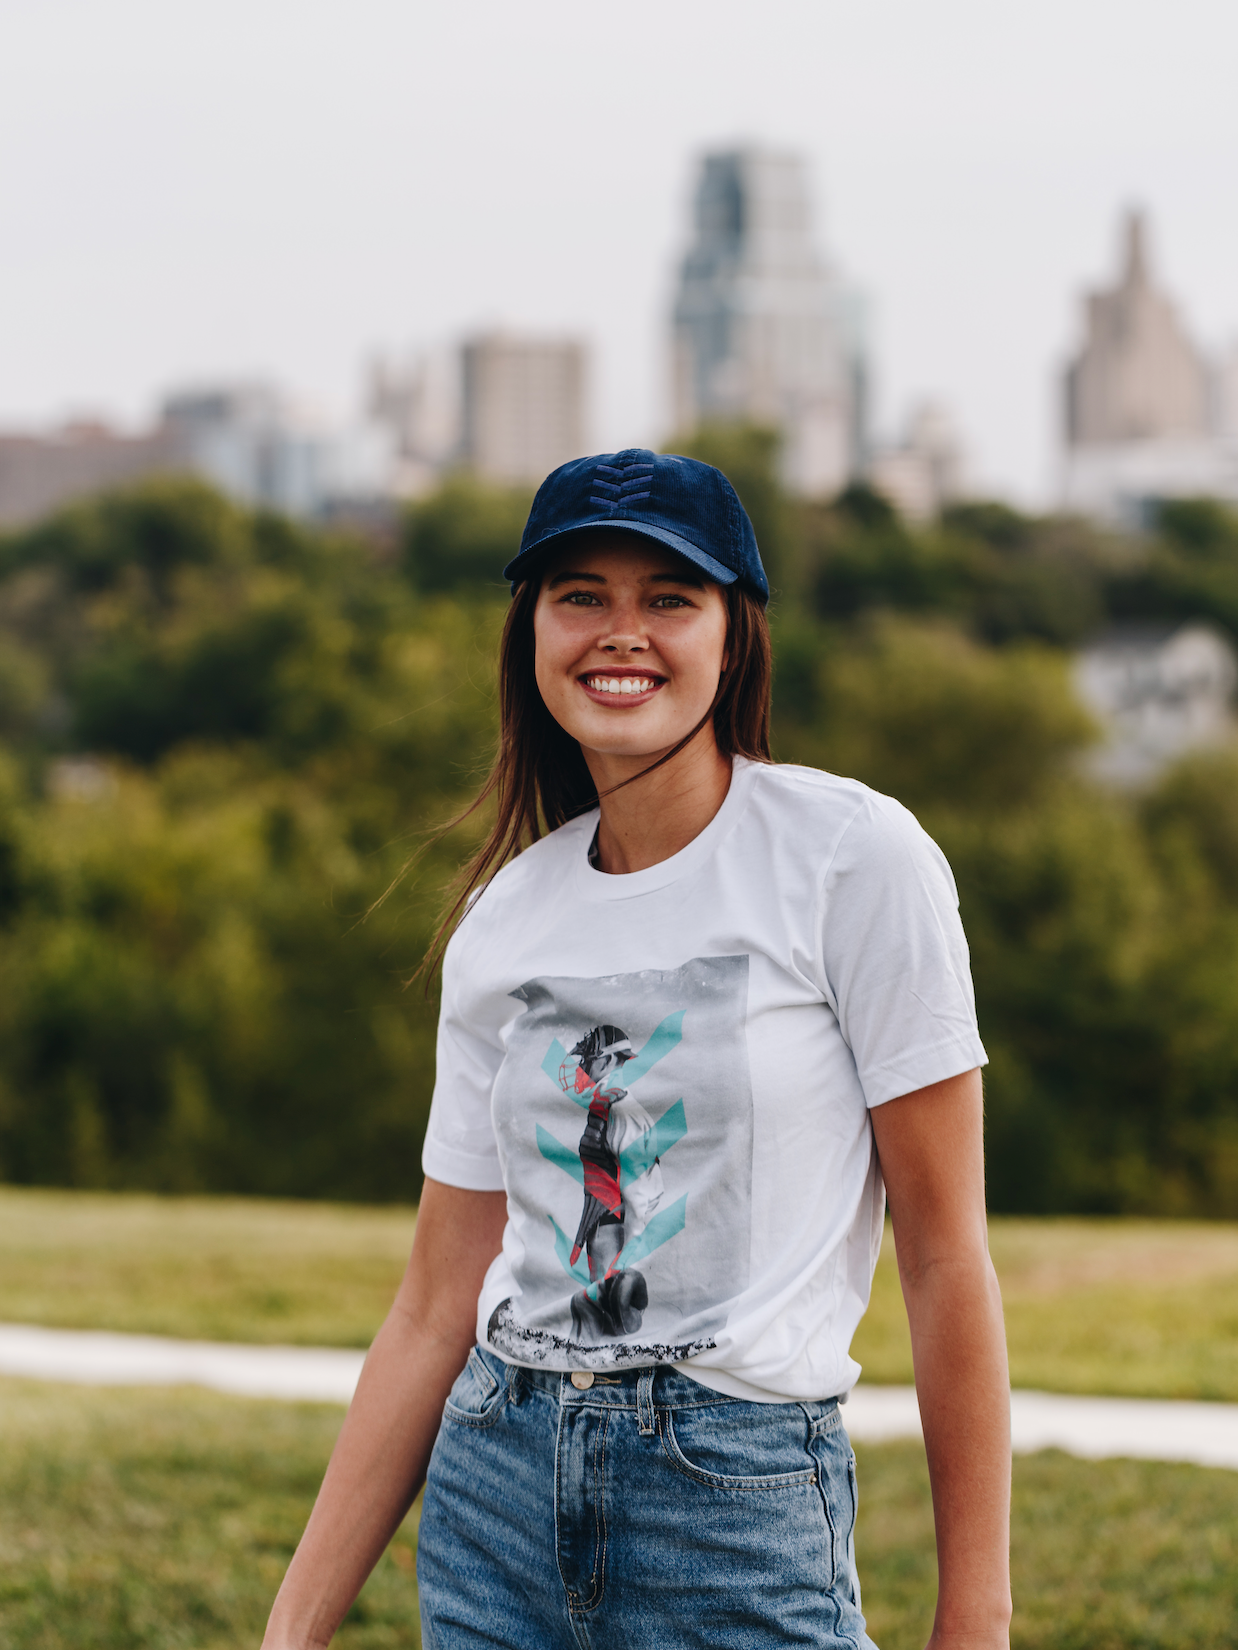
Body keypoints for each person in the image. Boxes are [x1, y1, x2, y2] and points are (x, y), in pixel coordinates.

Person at [262, 449, 1012, 1650]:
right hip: (495, 1496)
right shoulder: (507, 917)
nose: (623, 633)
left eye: (669, 596)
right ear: (531, 634)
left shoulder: (849, 858)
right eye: (581, 595)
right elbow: (430, 1306)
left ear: (733, 635)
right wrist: (291, 1628)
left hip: (732, 1500)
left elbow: (943, 1255)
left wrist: (974, 1619)